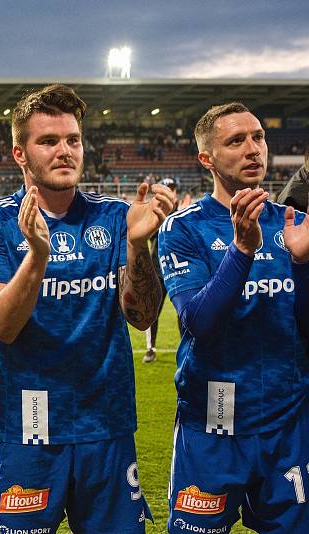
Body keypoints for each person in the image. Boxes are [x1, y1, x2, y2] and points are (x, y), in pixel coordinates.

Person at [0, 84, 174, 534]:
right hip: (29, 425)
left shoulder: (116, 217)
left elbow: (143, 318)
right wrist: (36, 257)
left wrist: (139, 246)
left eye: (73, 140)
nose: (65, 151)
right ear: (20, 153)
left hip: (107, 423)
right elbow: (3, 325)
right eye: (49, 141)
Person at [159, 102, 309, 533]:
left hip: (289, 425)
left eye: (258, 137)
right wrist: (242, 251)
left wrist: (301, 264)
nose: (252, 149)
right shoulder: (183, 229)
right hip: (213, 426)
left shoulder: (296, 225)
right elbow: (199, 323)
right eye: (236, 141)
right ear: (207, 158)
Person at [143, 176, 179, 363]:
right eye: (168, 188)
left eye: (172, 188)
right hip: (157, 271)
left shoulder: (183, 213)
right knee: (152, 313)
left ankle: (188, 347)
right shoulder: (154, 215)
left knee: (185, 312)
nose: (171, 191)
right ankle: (151, 348)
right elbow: (148, 237)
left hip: (179, 272)